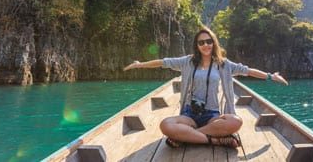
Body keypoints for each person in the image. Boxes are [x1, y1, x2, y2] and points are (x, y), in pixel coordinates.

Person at [123, 27, 288, 148]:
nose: (206, 45)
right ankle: (214, 140)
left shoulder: (224, 65)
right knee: (165, 124)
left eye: (209, 41)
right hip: (189, 114)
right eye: (201, 42)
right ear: (197, 45)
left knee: (235, 121)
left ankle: (187, 136)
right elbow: (163, 62)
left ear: (213, 43)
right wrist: (140, 65)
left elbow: (248, 71)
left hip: (211, 115)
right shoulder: (187, 62)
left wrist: (270, 76)